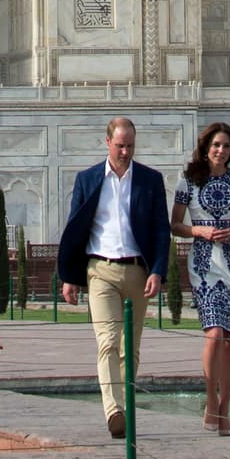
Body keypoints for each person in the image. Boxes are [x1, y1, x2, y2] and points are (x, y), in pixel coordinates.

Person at [56, 116, 170, 439]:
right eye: (120, 145)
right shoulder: (88, 179)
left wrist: (159, 270)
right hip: (100, 271)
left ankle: (125, 407)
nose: (125, 152)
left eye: (130, 146)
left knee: (129, 350)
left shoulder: (149, 180)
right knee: (107, 342)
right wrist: (70, 277)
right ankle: (114, 411)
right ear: (107, 142)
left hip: (137, 271)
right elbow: (75, 230)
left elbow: (162, 231)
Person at [171, 121, 230, 435]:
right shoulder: (188, 180)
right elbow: (175, 224)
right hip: (204, 262)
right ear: (206, 148)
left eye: (226, 147)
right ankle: (210, 400)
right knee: (215, 333)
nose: (221, 151)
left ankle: (224, 409)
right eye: (216, 146)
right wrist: (200, 231)